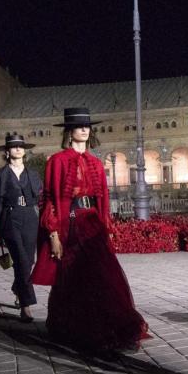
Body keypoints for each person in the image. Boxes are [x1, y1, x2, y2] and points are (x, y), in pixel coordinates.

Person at [32, 108, 149, 351]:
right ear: (69, 131)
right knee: (73, 280)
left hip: (93, 224)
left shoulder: (96, 163)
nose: (85, 130)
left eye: (87, 126)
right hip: (71, 224)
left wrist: (106, 227)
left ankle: (108, 328)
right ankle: (77, 330)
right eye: (79, 126)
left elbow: (103, 201)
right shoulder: (57, 161)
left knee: (103, 277)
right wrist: (53, 235)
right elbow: (50, 200)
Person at [0, 134, 42, 322]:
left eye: (21, 146)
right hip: (10, 218)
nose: (18, 149)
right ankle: (26, 305)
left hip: (30, 217)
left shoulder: (33, 174)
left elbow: (40, 197)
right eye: (14, 147)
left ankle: (17, 288)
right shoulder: (1, 175)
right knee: (21, 260)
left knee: (28, 261)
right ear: (7, 152)